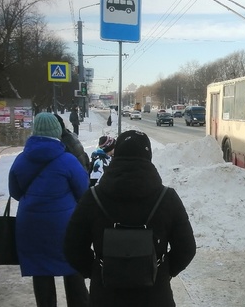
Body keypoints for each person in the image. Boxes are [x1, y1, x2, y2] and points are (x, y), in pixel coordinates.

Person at [64, 130, 196, 307]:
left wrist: (98, 270)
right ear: (148, 155)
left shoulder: (92, 198)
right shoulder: (167, 198)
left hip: (105, 296)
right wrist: (162, 271)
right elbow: (187, 248)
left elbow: (72, 247)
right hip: (156, 296)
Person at [8, 112, 90, 307]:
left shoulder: (21, 160)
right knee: (72, 267)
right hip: (65, 227)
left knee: (41, 272)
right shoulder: (68, 160)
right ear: (57, 132)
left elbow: (15, 192)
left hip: (30, 227)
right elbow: (83, 191)